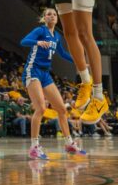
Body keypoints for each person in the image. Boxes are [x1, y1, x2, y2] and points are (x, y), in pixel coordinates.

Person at [20, 8, 86, 159]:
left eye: (54, 14)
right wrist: (37, 41)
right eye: (48, 14)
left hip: (45, 74)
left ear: (57, 19)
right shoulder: (40, 30)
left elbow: (62, 53)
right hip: (33, 70)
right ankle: (34, 147)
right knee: (41, 108)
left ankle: (69, 143)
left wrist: (78, 61)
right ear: (44, 18)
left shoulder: (56, 36)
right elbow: (23, 41)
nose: (52, 16)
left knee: (62, 109)